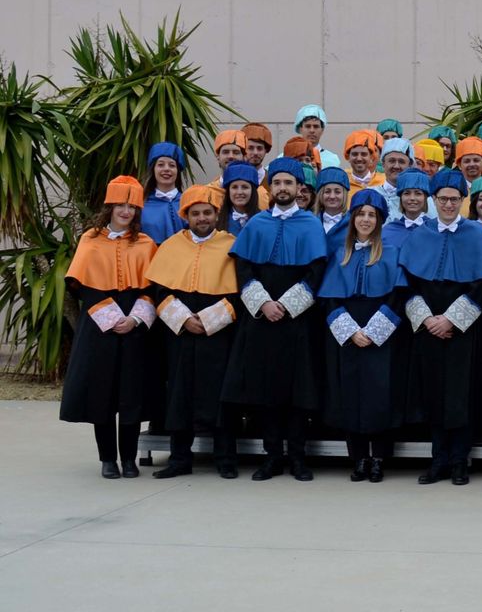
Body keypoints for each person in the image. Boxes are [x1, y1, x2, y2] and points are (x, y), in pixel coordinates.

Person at [223, 158, 328, 482]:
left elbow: (316, 272)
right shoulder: (255, 225)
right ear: (269, 188)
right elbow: (243, 270)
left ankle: (297, 457)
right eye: (278, 183)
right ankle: (272, 457)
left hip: (297, 321)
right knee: (266, 390)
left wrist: (288, 305)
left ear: (299, 189)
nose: (283, 188)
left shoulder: (311, 225)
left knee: (298, 391)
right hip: (261, 319)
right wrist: (264, 304)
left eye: (289, 183)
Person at [397, 169, 482, 484]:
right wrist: (429, 320)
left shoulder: (476, 235)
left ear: (462, 200)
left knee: (460, 396)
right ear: (434, 200)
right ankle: (438, 459)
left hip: (462, 331)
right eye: (443, 199)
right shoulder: (420, 235)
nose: (449, 205)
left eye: (455, 200)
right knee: (434, 394)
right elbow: (407, 285)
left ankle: (459, 461)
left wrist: (451, 320)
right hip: (428, 329)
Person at [61, 177, 158, 478]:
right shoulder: (90, 239)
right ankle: (107, 459)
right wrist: (111, 318)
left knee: (131, 393)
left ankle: (129, 459)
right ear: (110, 207)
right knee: (101, 393)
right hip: (99, 324)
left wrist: (134, 319)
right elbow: (80, 285)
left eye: (131, 207)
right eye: (121, 205)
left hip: (135, 326)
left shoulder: (145, 243)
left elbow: (152, 288)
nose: (126, 211)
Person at [146, 186, 240, 479]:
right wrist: (185, 320)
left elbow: (239, 294)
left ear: (216, 215)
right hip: (181, 331)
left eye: (207, 212)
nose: (202, 218)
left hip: (218, 331)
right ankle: (179, 460)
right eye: (195, 213)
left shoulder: (231, 244)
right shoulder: (171, 246)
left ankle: (225, 459)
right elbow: (159, 290)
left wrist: (210, 320)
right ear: (186, 216)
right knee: (180, 393)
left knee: (220, 394)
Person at [318, 189, 405, 483]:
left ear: (379, 221)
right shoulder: (339, 255)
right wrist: (350, 331)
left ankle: (379, 458)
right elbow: (329, 299)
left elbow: (396, 297)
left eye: (372, 215)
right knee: (350, 395)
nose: (366, 220)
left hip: (380, 333)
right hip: (348, 333)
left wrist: (374, 331)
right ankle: (357, 458)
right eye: (361, 214)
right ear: (352, 218)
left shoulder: (391, 253)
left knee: (380, 395)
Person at [141, 142, 187, 243]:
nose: (166, 169)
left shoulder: (188, 202)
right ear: (153, 169)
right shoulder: (141, 204)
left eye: (172, 165)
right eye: (160, 165)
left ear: (177, 171)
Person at [292, 104, 342, 171]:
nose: (312, 130)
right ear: (300, 128)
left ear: (322, 130)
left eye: (316, 126)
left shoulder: (332, 160)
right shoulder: (286, 156)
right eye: (308, 126)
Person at [222, 161, 261, 235]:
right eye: (234, 187)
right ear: (228, 191)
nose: (239, 192)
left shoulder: (263, 220)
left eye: (245, 187)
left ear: (253, 191)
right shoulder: (217, 221)